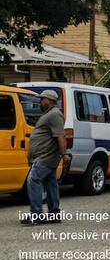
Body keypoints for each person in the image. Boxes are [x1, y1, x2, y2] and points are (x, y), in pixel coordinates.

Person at [21, 90, 70, 226]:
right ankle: (54, 213)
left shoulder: (54, 115)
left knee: (33, 180)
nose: (40, 101)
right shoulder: (49, 114)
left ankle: (36, 215)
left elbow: (60, 136)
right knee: (50, 183)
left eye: (42, 99)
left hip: (45, 157)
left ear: (49, 100)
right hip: (46, 157)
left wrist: (64, 154)